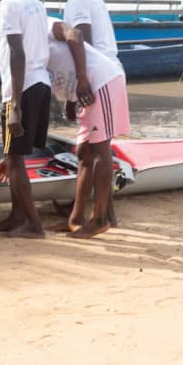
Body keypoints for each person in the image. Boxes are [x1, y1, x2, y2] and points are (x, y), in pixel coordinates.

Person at [45, 18, 130, 238]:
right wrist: (70, 99)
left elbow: (76, 35)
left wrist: (82, 78)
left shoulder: (45, 25)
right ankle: (76, 219)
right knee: (83, 153)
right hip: (85, 90)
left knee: (100, 149)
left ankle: (100, 219)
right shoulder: (30, 42)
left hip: (100, 81)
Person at [0, 0, 52, 239]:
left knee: (15, 159)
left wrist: (14, 106)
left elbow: (17, 52)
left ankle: (34, 224)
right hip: (40, 81)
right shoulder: (36, 3)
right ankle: (17, 216)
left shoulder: (7, 5)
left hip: (21, 87)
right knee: (12, 156)